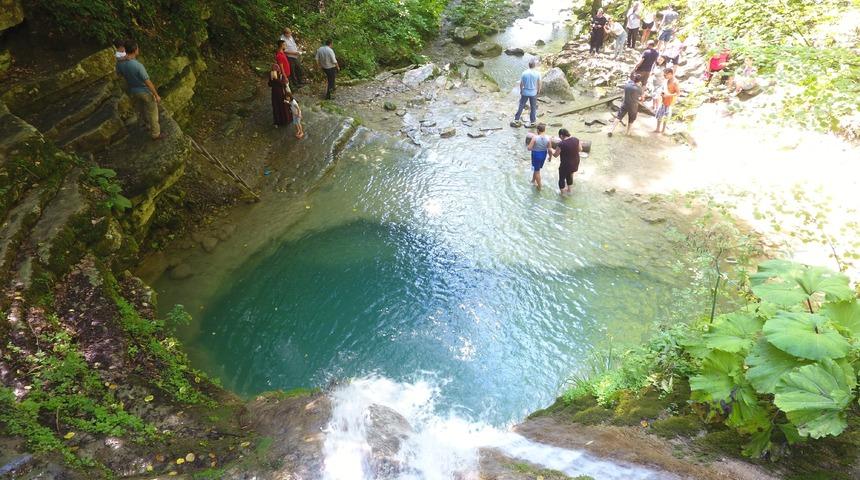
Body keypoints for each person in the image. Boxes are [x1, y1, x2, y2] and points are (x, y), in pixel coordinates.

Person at [116, 41, 163, 140]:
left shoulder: (120, 64)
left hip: (133, 91)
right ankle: (156, 134)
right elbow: (148, 82)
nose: (138, 49)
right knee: (153, 112)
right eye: (137, 48)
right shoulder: (138, 66)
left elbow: (119, 75)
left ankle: (146, 125)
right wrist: (156, 95)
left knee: (141, 110)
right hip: (144, 91)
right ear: (135, 50)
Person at [551, 128, 582, 195]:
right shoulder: (576, 139)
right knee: (570, 175)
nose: (560, 138)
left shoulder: (561, 144)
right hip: (575, 162)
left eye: (560, 137)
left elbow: (556, 155)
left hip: (566, 164)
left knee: (562, 178)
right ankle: (569, 190)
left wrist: (551, 150)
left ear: (561, 135)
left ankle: (562, 194)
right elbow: (580, 149)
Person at [514, 58, 542, 127]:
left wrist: (521, 90)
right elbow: (539, 83)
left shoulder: (524, 73)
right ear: (534, 65)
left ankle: (516, 119)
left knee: (521, 105)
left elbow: (521, 83)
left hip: (525, 92)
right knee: (533, 107)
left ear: (528, 65)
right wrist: (538, 90)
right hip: (533, 92)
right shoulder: (537, 73)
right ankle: (532, 121)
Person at [527, 123, 551, 189]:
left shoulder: (535, 137)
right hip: (543, 154)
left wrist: (531, 146)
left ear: (538, 130)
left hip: (536, 155)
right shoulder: (548, 138)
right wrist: (550, 157)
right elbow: (549, 149)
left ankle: (539, 186)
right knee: (537, 169)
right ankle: (533, 181)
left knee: (537, 171)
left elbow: (529, 148)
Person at [655, 68, 679, 134]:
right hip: (663, 100)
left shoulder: (675, 82)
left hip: (669, 102)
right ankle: (657, 129)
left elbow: (678, 93)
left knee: (666, 116)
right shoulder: (666, 80)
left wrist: (668, 95)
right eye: (664, 75)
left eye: (665, 75)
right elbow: (664, 88)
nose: (664, 76)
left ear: (670, 74)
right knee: (659, 115)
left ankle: (663, 130)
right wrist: (662, 93)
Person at [268, 63, 291, 128]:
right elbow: (269, 84)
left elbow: (284, 83)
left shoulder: (280, 74)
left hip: (279, 92)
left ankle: (282, 121)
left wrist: (275, 80)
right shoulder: (272, 74)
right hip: (277, 92)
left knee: (280, 105)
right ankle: (280, 121)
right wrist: (273, 80)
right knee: (278, 106)